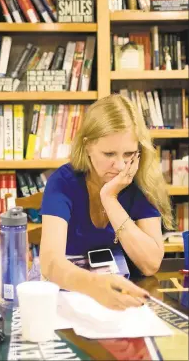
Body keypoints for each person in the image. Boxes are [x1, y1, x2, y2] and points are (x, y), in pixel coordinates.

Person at [40, 94, 173, 310]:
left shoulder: (140, 181)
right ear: (88, 146)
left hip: (128, 299)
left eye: (129, 153)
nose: (120, 166)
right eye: (109, 153)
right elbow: (50, 262)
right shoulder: (62, 182)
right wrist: (93, 285)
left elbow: (150, 264)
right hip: (72, 297)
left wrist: (110, 200)